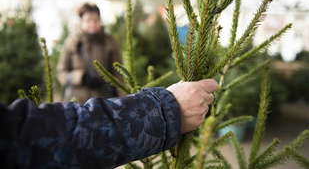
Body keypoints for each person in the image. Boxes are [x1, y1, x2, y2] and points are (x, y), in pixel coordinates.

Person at [0, 79, 218, 169]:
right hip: (82, 94)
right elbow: (29, 139)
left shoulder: (106, 39)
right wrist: (164, 110)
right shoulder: (74, 41)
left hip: (104, 97)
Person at [56, 3, 123, 104]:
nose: (92, 24)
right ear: (81, 21)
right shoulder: (71, 42)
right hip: (77, 103)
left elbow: (119, 74)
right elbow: (61, 73)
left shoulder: (109, 42)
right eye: (88, 20)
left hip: (103, 102)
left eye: (95, 20)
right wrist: (81, 78)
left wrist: (124, 99)